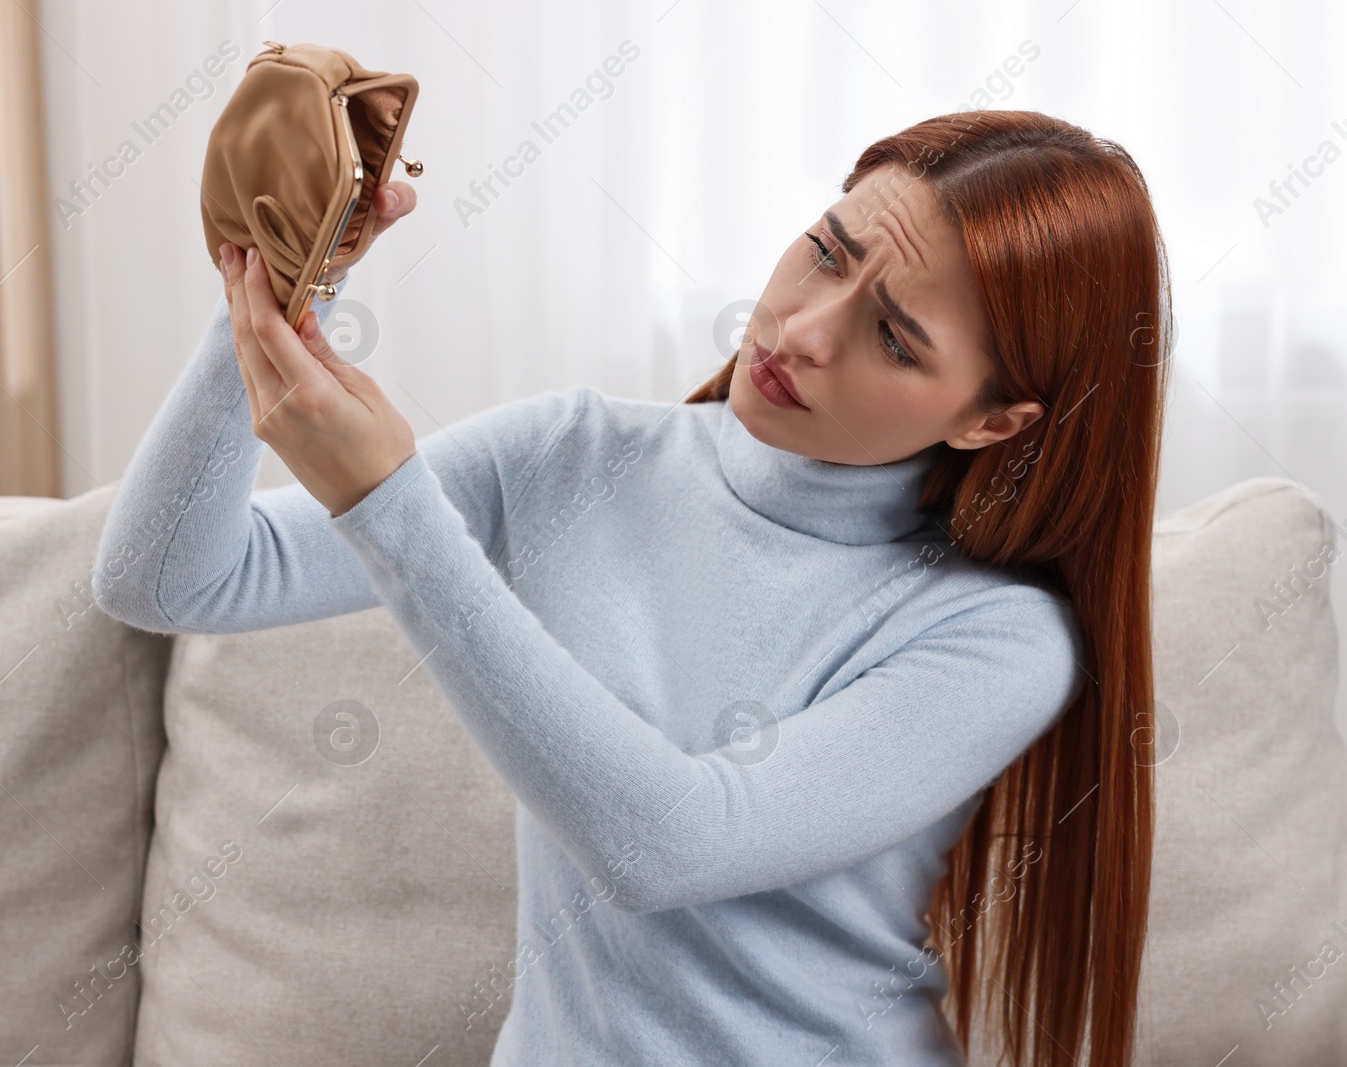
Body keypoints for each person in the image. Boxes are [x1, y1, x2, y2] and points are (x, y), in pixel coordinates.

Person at [93, 109, 1166, 1067]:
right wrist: (274, 287)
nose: (801, 329)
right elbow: (169, 578)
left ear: (992, 421)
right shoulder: (575, 454)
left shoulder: (999, 638)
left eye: (892, 335)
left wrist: (390, 504)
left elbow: (671, 843)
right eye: (825, 252)